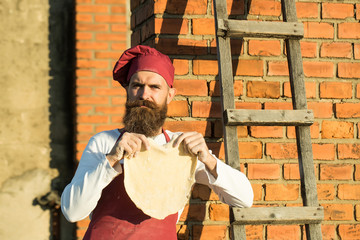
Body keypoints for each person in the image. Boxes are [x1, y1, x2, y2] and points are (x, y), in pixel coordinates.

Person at [61, 45, 253, 240]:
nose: (144, 95)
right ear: (128, 91)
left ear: (169, 95)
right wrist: (111, 160)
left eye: (154, 87)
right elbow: (72, 211)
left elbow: (244, 198)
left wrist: (209, 161)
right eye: (137, 85)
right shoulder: (104, 143)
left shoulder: (181, 149)